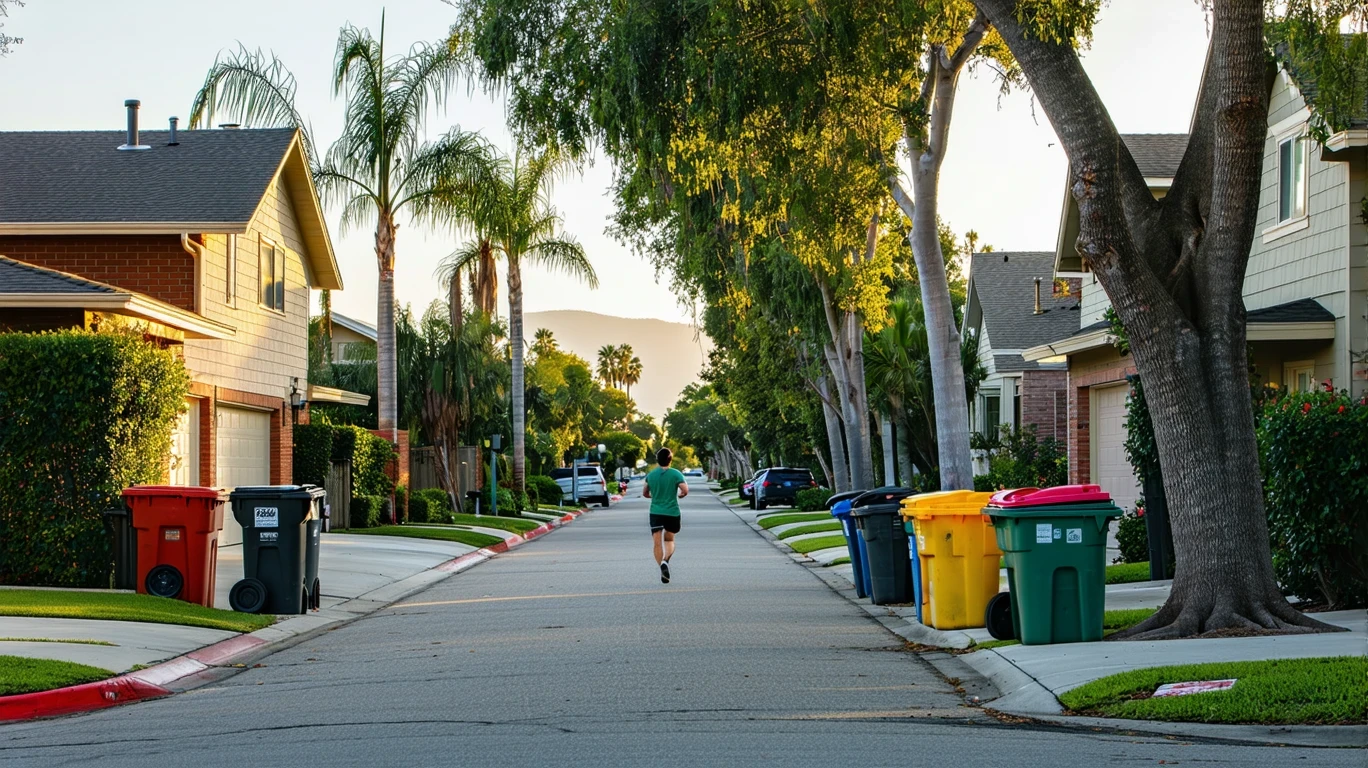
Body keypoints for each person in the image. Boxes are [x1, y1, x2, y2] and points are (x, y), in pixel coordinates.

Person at [642, 447, 689, 583]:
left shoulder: (651, 475)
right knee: (669, 540)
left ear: (657, 460)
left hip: (655, 512)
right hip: (672, 512)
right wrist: (681, 494)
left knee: (657, 543)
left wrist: (654, 496)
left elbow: (645, 492)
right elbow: (685, 490)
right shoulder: (676, 474)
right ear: (670, 460)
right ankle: (665, 561)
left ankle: (661, 567)